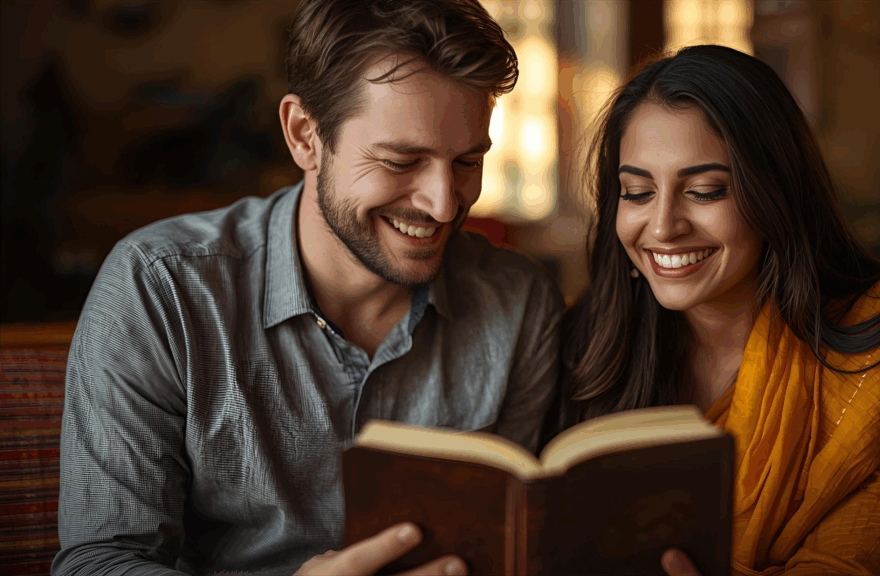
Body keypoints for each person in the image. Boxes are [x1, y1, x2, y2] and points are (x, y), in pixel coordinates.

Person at [53, 1, 563, 575]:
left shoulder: (521, 301)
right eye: (401, 160)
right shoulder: (161, 287)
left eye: (468, 161)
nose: (444, 204)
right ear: (305, 136)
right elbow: (97, 563)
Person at [555, 45, 880, 576]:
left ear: (776, 192)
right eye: (637, 192)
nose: (663, 227)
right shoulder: (592, 344)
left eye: (706, 191)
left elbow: (854, 565)